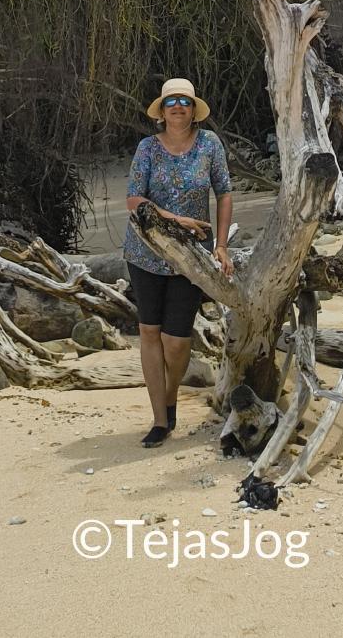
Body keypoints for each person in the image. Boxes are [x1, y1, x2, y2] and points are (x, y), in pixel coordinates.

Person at [124, 78, 233, 446]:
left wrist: (221, 245)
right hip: (145, 254)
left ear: (193, 109)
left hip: (190, 258)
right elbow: (134, 200)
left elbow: (224, 192)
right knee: (149, 332)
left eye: (184, 101)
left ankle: (170, 397)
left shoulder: (209, 145)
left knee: (176, 340)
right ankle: (159, 419)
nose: (177, 106)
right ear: (162, 110)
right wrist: (176, 219)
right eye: (171, 101)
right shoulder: (147, 149)